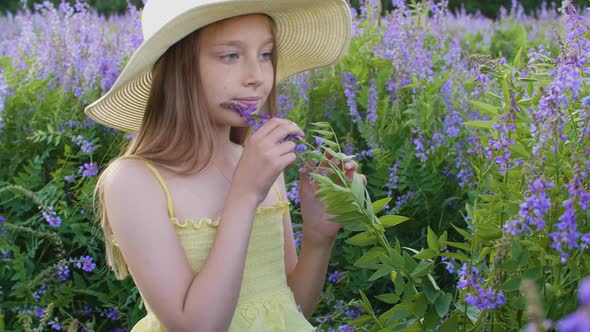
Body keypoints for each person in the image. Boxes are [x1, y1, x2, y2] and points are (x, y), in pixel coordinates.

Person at [85, 0, 365, 330]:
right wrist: (244, 195)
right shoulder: (134, 181)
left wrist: (319, 235)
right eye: (230, 56)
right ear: (180, 67)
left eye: (265, 54)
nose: (257, 77)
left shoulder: (258, 165)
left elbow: (291, 309)